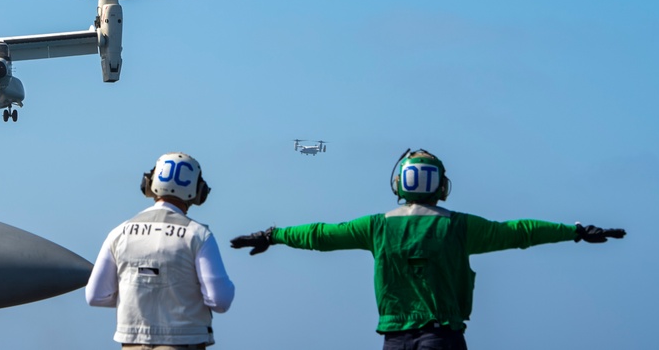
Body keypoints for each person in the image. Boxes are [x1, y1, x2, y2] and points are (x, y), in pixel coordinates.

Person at [230, 148, 626, 350]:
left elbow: (319, 235)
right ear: (441, 186)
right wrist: (576, 231)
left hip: (394, 339)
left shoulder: (376, 227)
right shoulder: (459, 227)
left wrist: (272, 234)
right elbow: (521, 231)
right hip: (442, 336)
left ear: (398, 184)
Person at [86, 152, 235, 349]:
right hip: (183, 342)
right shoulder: (198, 235)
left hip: (132, 342)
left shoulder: (119, 233)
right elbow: (220, 301)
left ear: (149, 184)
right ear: (199, 192)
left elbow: (95, 295)